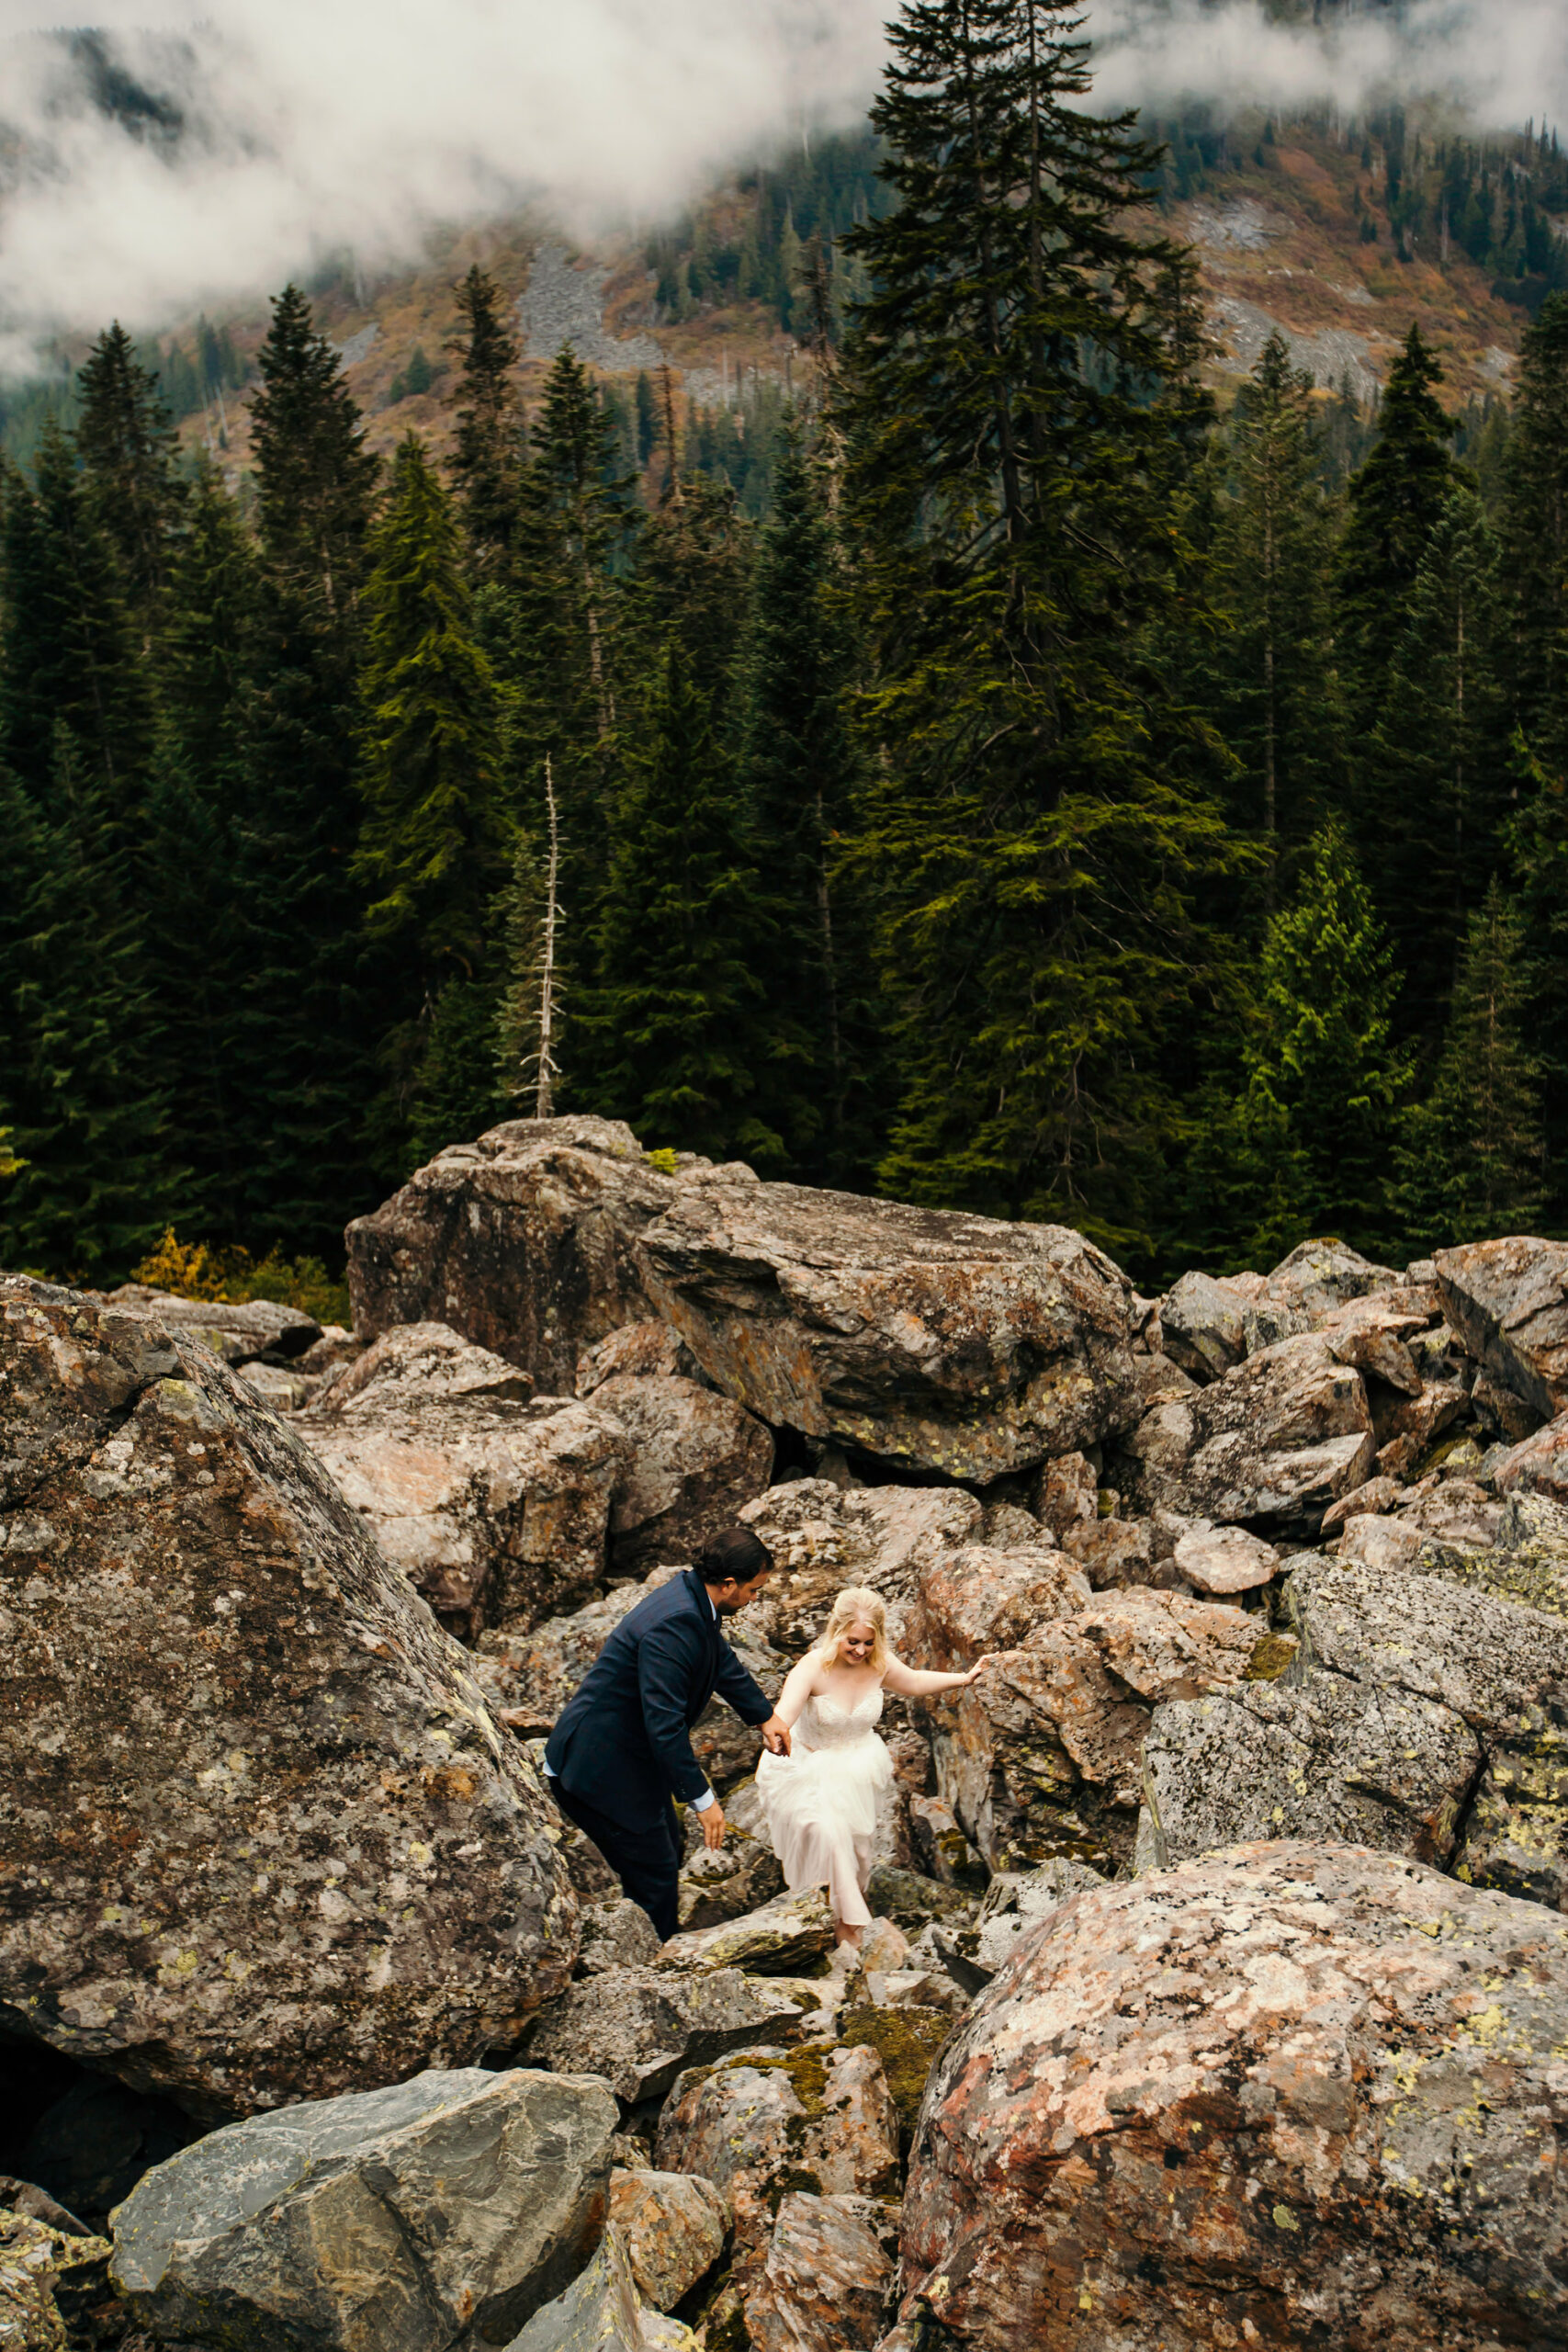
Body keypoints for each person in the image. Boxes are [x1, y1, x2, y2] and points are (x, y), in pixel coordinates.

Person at [543, 1526, 792, 1941]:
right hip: (596, 1765)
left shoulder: (695, 1597)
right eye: (753, 1590)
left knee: (669, 1844)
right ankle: (652, 1963)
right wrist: (704, 1799)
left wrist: (764, 1716)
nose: (755, 1599)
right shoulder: (676, 1622)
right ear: (728, 1583)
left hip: (628, 1756)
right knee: (654, 1867)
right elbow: (665, 1723)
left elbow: (719, 1659)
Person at [756, 1587, 991, 1953]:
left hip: (856, 1767)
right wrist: (776, 1733)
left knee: (859, 1852)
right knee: (829, 1836)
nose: (860, 1651)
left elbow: (913, 1681)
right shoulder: (813, 1666)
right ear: (836, 1631)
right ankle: (847, 1929)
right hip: (807, 1765)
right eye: (853, 1641)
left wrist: (963, 1679)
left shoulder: (879, 1663)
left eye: (868, 1642)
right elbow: (785, 1711)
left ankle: (841, 1914)